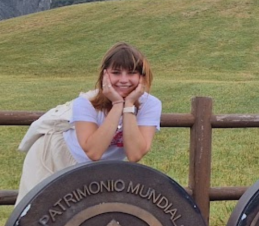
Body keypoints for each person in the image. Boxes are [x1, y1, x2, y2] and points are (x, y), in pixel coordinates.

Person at [16, 42, 161, 203]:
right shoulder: (86, 102)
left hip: (96, 168)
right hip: (54, 154)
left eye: (132, 73)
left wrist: (128, 106)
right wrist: (117, 105)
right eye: (116, 72)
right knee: (34, 212)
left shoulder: (150, 104)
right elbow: (93, 152)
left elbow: (134, 154)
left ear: (142, 76)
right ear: (105, 75)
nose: (124, 80)